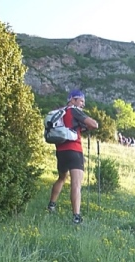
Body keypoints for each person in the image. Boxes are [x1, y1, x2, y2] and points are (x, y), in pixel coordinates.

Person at [47, 89, 98, 224]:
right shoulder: (74, 110)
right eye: (81, 101)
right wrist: (93, 123)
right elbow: (94, 124)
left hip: (61, 151)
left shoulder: (60, 112)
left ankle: (51, 205)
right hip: (74, 151)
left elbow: (71, 126)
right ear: (72, 100)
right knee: (76, 184)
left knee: (62, 178)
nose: (83, 104)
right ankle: (76, 216)